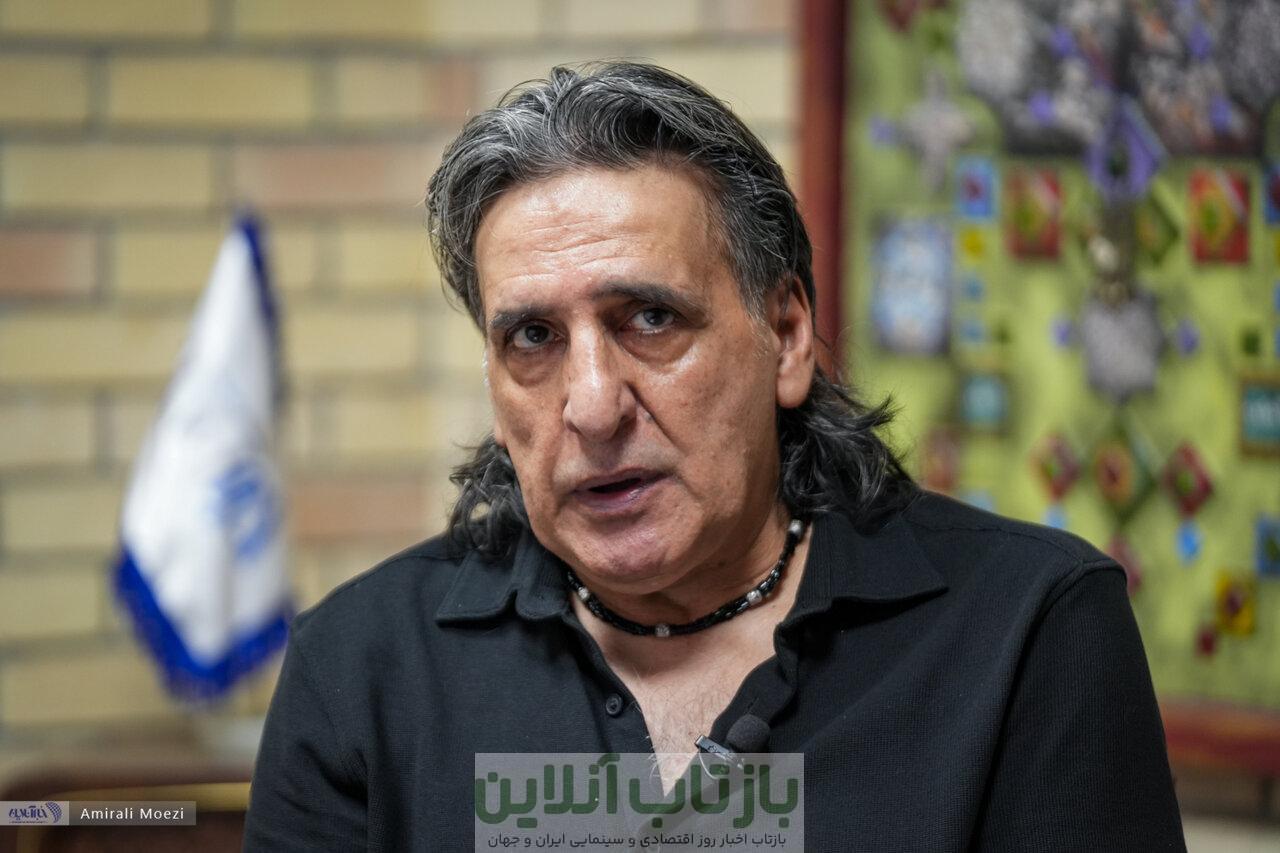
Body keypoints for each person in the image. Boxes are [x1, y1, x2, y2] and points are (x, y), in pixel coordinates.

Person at [244, 62, 1185, 851]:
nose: (593, 405)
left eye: (650, 318)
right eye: (532, 337)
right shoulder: (360, 666)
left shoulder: (1026, 630)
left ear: (786, 336)